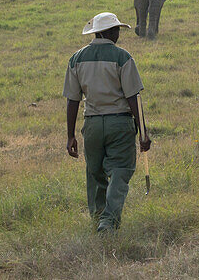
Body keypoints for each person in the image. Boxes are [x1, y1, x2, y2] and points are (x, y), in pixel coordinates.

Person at [63, 12, 151, 233]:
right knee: (121, 170)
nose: (118, 34)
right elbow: (133, 98)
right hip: (119, 124)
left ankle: (98, 218)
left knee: (95, 173)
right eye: (116, 30)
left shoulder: (76, 59)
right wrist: (143, 132)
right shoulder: (123, 57)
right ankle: (108, 221)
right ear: (108, 32)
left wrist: (70, 135)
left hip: (91, 125)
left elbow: (72, 100)